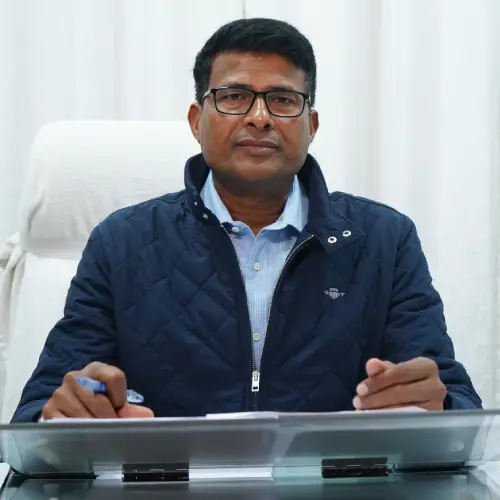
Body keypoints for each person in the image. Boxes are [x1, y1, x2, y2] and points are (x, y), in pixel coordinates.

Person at [12, 18, 481, 423]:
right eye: (234, 96)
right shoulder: (121, 244)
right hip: (169, 484)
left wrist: (439, 406)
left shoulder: (385, 241)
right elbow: (37, 415)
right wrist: (65, 413)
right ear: (196, 121)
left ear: (311, 126)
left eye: (283, 100)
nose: (259, 118)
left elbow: (454, 403)